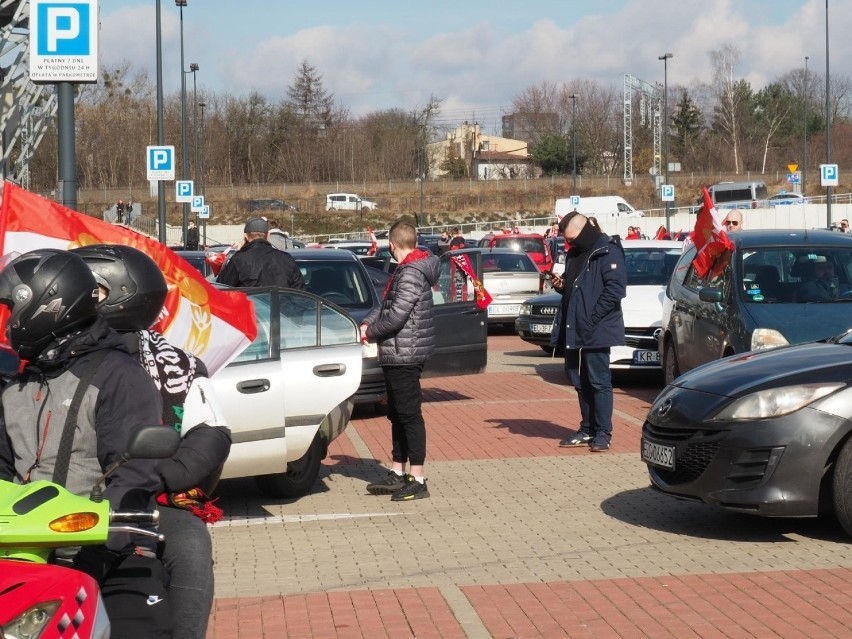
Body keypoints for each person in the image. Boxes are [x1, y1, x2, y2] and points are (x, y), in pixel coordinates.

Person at [0, 249, 172, 638]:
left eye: (12, 309)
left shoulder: (117, 376)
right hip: (23, 555)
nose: (8, 322)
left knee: (141, 628)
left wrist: (99, 533)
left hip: (104, 550)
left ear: (48, 304)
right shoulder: (17, 386)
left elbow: (134, 476)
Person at [72, 244, 231, 639]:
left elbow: (211, 432)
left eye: (91, 291)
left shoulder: (178, 364)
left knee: (191, 548)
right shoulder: (52, 357)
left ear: (123, 293)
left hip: (144, 503)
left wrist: (151, 476)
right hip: (62, 500)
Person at [361, 220, 440, 501]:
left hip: (406, 354)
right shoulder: (405, 271)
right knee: (396, 413)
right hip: (396, 353)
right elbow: (384, 306)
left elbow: (396, 317)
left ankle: (417, 478)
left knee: (409, 415)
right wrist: (367, 322)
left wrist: (370, 332)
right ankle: (398, 470)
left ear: (392, 245)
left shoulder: (411, 274)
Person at [550, 212, 626, 452]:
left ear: (584, 230)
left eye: (573, 238)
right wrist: (562, 286)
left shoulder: (608, 250)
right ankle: (587, 428)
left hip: (596, 329)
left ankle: (603, 432)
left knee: (598, 380)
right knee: (577, 378)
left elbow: (615, 290)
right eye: (568, 239)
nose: (570, 243)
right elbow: (576, 287)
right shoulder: (574, 253)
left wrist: (592, 317)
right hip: (574, 327)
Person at [216, 216, 305, 288]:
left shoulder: (238, 260)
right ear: (268, 235)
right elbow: (300, 296)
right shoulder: (287, 259)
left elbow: (221, 291)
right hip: (282, 310)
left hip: (250, 310)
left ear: (245, 236)